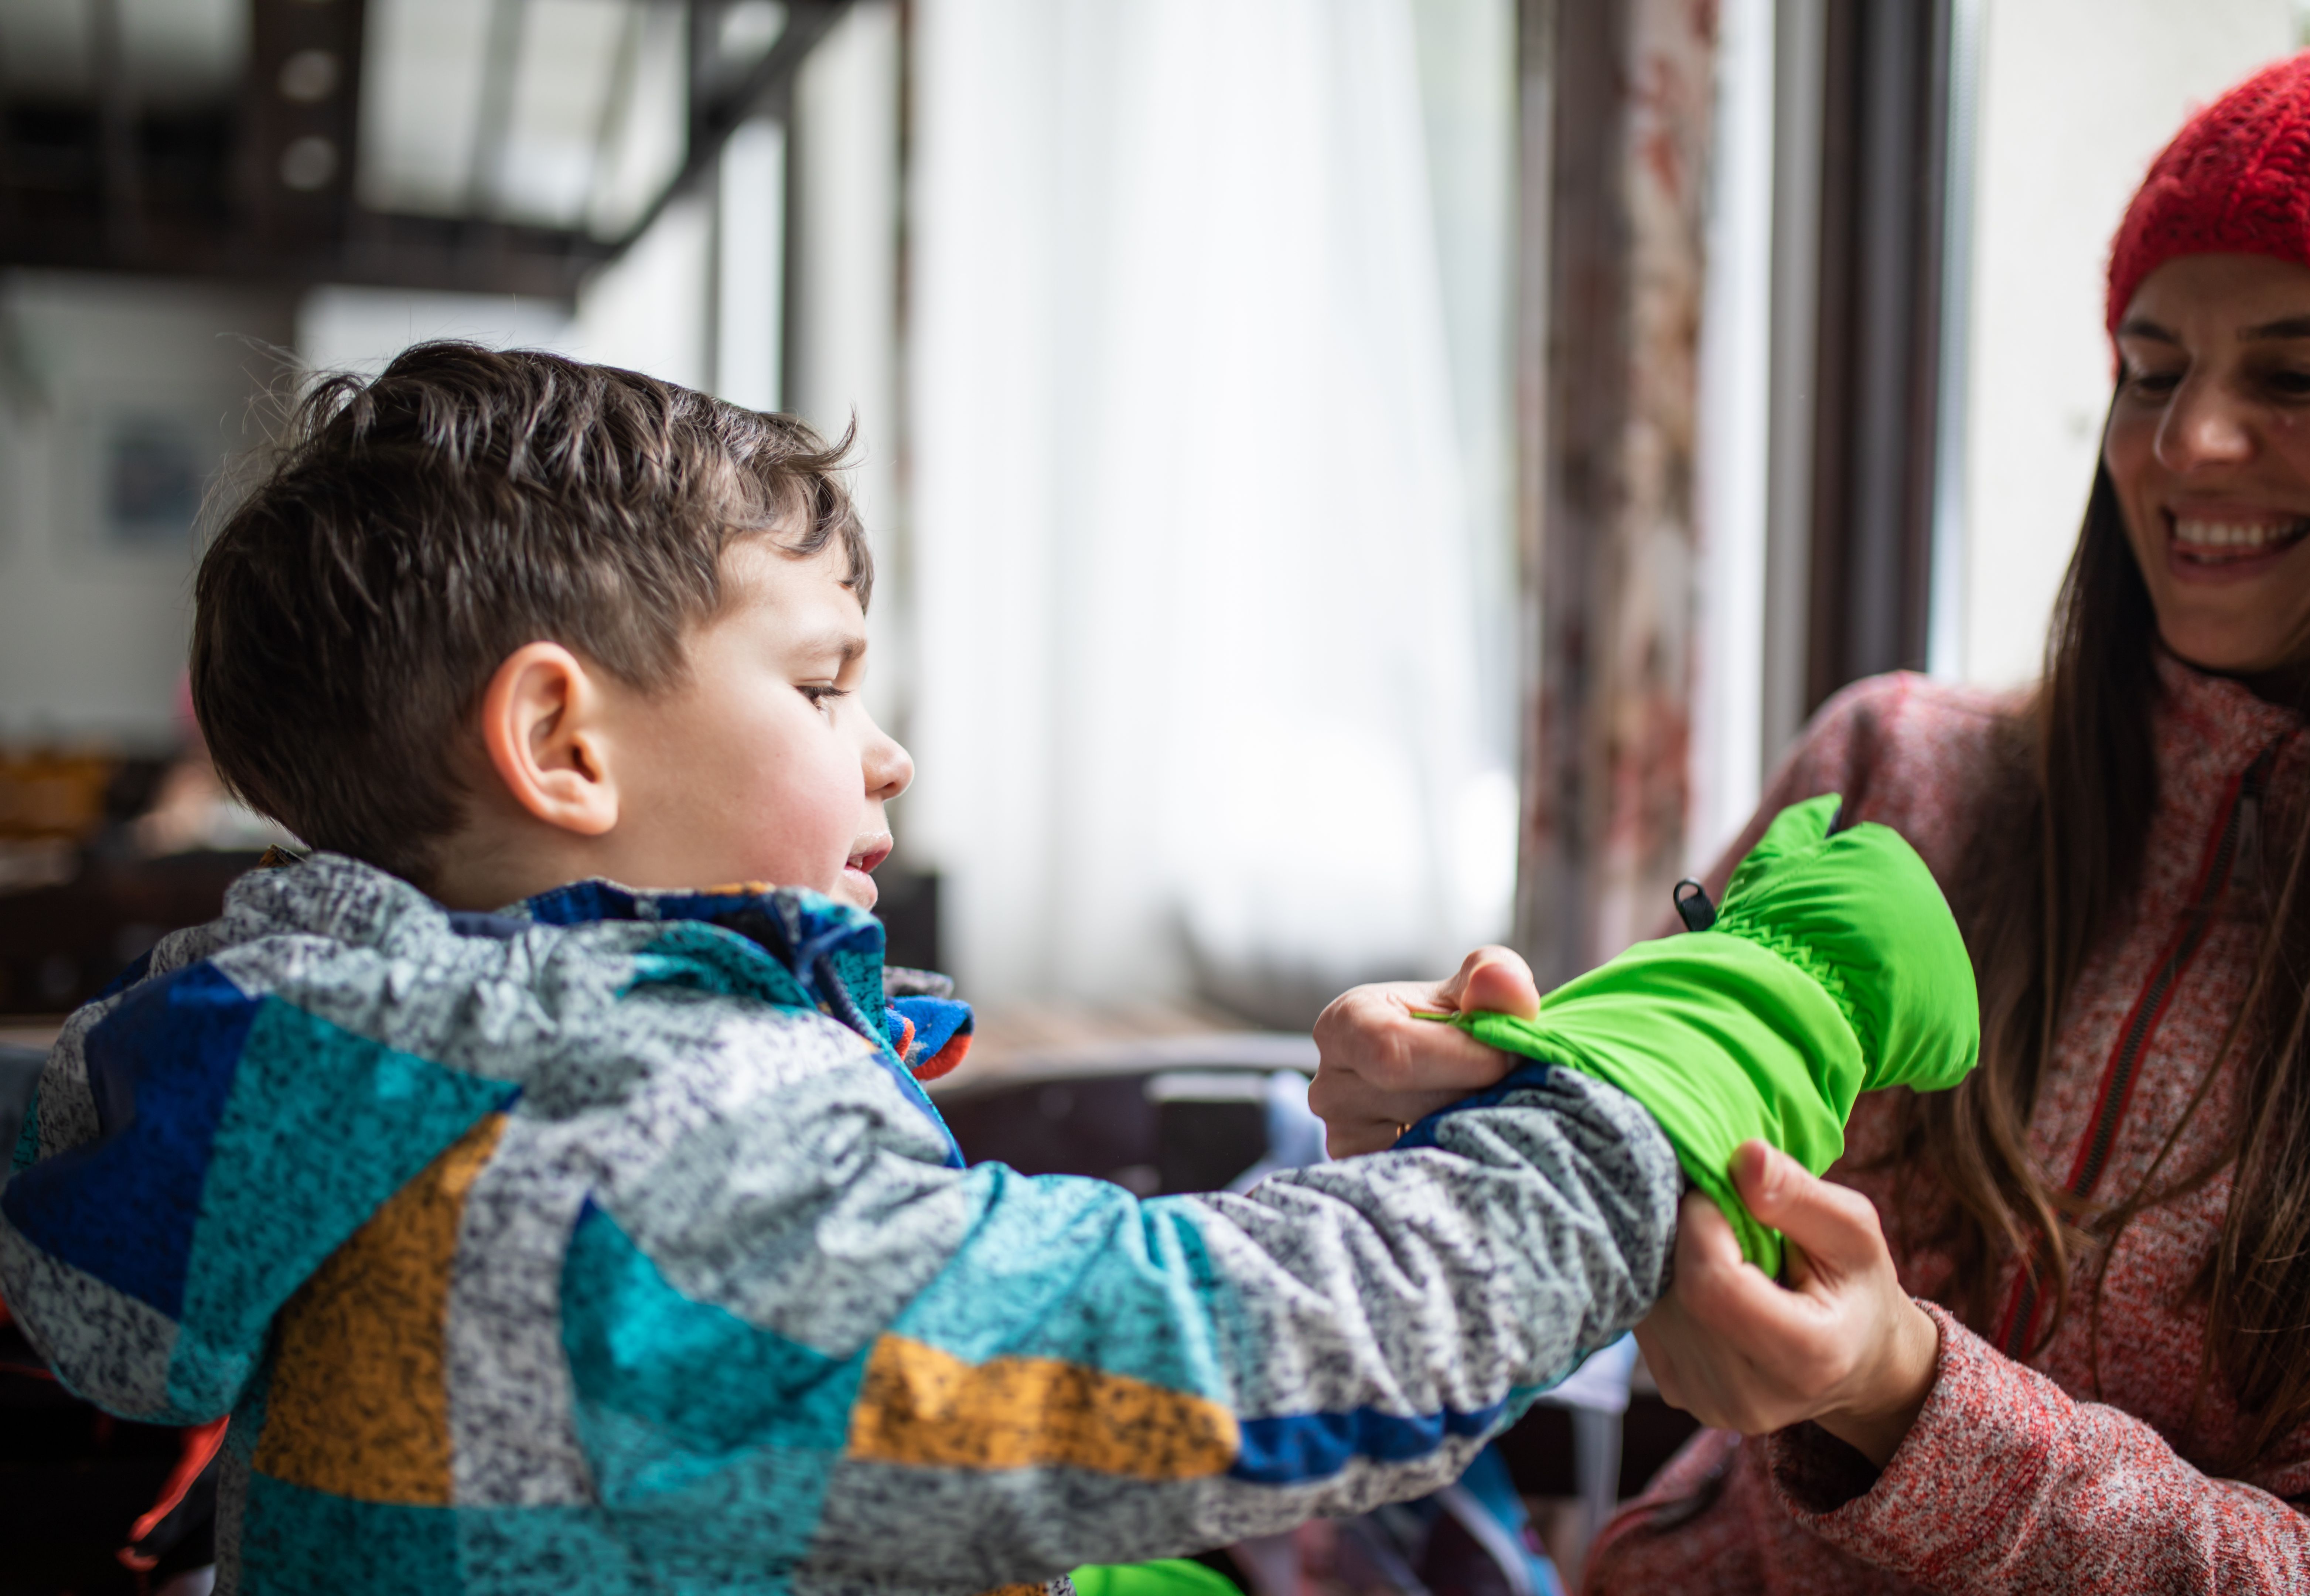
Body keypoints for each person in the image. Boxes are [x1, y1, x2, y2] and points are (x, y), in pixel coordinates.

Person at [0, 343, 1968, 1596]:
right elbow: (1234, 1358)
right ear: (565, 746)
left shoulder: (303, 1071)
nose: (887, 752)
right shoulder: (644, 1141)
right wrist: (1625, 1116)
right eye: (822, 682)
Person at [1321, 15, 2310, 1592]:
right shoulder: (1897, 771)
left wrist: (1901, 1397)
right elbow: (1648, 1166)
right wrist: (1476, 1099)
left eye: (2297, 374)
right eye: (2147, 372)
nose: (2186, 443)